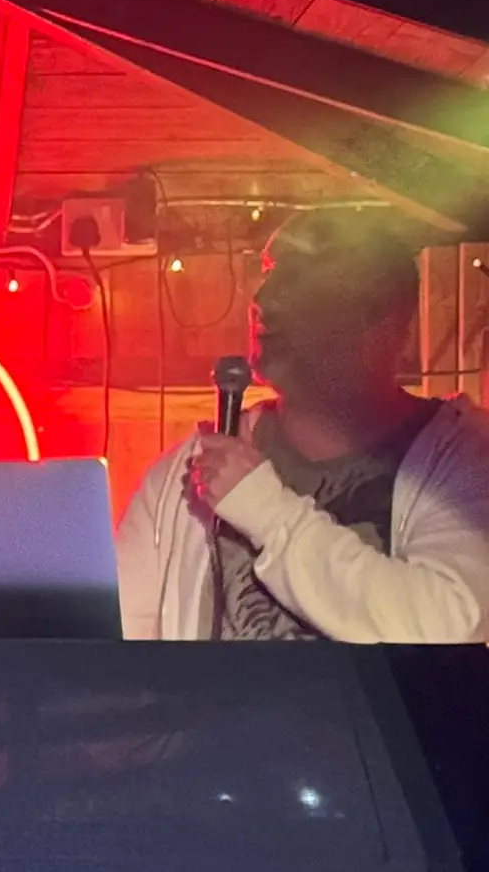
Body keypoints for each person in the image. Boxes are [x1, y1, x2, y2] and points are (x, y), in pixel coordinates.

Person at [116, 209, 489, 641]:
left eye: (300, 278)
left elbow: (446, 623)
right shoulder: (190, 471)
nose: (265, 298)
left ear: (382, 324)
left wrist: (265, 510)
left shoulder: (463, 457)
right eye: (270, 273)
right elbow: (111, 640)